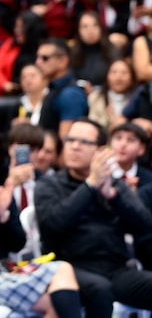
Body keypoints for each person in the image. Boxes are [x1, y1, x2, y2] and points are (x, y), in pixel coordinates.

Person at [35, 117, 152, 317]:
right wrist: (90, 186)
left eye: (84, 142)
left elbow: (145, 226)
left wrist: (114, 197)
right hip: (68, 270)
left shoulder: (113, 184)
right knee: (100, 289)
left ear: (101, 151)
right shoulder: (49, 184)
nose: (75, 147)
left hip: (115, 269)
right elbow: (53, 224)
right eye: (71, 140)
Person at [0, 125, 82, 317]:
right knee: (62, 275)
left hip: (3, 271)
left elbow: (17, 243)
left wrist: (4, 217)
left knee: (58, 292)